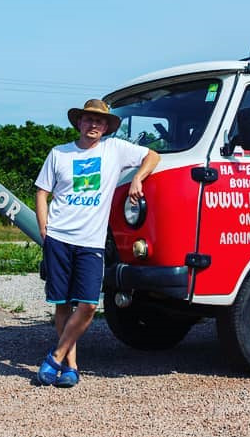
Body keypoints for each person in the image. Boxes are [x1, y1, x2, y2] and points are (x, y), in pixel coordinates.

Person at [33, 98, 160, 388]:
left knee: (88, 305)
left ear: (106, 127)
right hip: (59, 237)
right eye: (88, 120)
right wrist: (44, 229)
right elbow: (42, 192)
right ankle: (71, 367)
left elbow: (152, 155)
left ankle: (54, 357)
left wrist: (138, 179)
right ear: (79, 123)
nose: (93, 125)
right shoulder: (59, 154)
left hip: (91, 242)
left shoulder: (115, 150)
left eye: (99, 121)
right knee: (63, 305)